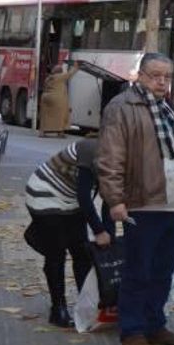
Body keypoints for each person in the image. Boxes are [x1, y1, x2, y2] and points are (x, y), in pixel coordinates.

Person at [97, 52, 174, 345]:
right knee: (138, 270)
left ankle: (155, 323)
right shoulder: (122, 108)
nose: (161, 82)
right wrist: (115, 200)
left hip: (171, 203)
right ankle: (133, 329)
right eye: (155, 75)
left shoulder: (169, 107)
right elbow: (110, 157)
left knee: (163, 270)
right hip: (142, 203)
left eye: (167, 76)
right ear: (139, 75)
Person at [25, 139, 112, 328]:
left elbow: (109, 198)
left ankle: (86, 306)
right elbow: (84, 196)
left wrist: (107, 233)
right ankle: (58, 309)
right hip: (45, 193)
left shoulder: (119, 159)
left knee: (82, 251)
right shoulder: (91, 149)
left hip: (70, 198)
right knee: (56, 253)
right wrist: (99, 231)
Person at [39, 62, 79, 137]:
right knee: (62, 113)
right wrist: (76, 67)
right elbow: (70, 74)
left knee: (45, 116)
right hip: (55, 98)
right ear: (60, 71)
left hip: (45, 98)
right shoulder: (60, 77)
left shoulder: (49, 78)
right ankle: (60, 132)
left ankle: (42, 132)